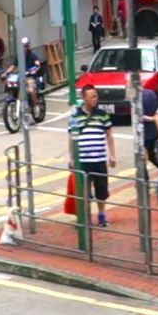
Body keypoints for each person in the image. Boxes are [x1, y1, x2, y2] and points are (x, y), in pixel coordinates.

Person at [68, 85, 116, 228]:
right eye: (91, 96)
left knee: (101, 190)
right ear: (84, 98)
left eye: (95, 96)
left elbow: (109, 135)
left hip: (99, 159)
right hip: (83, 161)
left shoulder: (102, 114)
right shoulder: (75, 116)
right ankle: (86, 218)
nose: (94, 99)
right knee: (84, 192)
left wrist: (112, 155)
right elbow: (71, 137)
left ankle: (101, 215)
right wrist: (71, 158)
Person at [137, 87, 158, 171]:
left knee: (142, 156)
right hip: (154, 130)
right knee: (152, 155)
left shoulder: (137, 98)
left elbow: (138, 115)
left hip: (144, 132)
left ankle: (145, 178)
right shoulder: (151, 93)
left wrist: (148, 118)